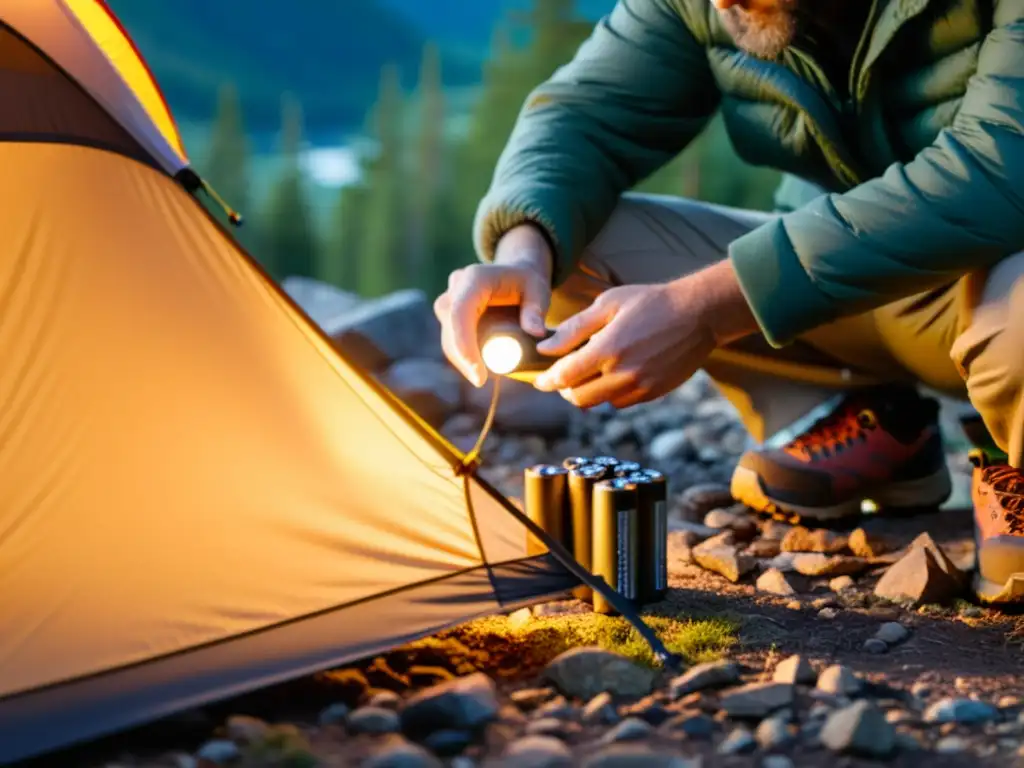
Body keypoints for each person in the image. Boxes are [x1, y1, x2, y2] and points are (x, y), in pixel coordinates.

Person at [433, 0, 1024, 603]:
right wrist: (521, 255)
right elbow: (582, 118)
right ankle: (869, 421)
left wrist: (711, 306)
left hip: (998, 287)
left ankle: (1012, 450)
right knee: (569, 254)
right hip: (843, 287)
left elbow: (1000, 168)